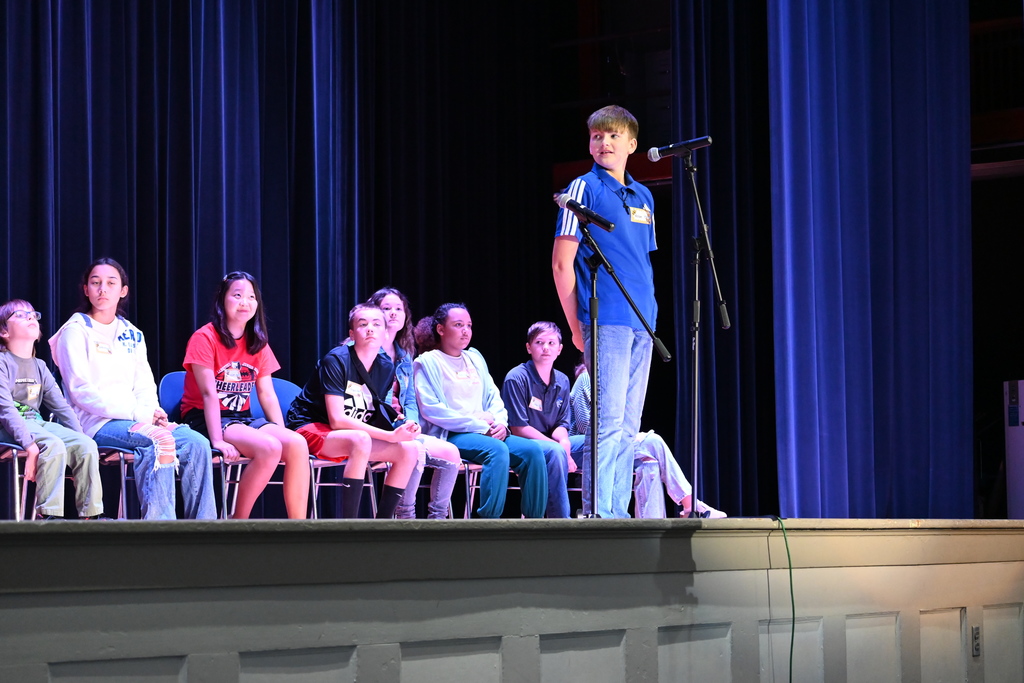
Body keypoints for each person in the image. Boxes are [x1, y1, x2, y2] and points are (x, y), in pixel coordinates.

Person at [50, 257, 216, 520]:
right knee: (158, 440)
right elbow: (80, 391)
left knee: (197, 443)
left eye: (110, 283)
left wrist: (154, 412)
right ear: (86, 289)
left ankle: (206, 532)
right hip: (95, 423)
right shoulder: (75, 331)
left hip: (136, 419)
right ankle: (160, 533)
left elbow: (144, 384)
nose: (102, 289)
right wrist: (141, 415)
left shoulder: (133, 333)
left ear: (123, 291)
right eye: (95, 283)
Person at [552, 104, 657, 518]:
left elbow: (640, 260)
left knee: (628, 428)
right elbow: (562, 264)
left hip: (642, 320)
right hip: (606, 317)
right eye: (597, 136)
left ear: (632, 144)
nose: (604, 142)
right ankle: (599, 515)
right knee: (607, 421)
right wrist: (575, 322)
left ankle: (617, 512)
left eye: (613, 136)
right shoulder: (582, 189)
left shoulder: (643, 196)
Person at [179, 272, 310, 519]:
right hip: (205, 419)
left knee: (297, 444)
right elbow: (208, 394)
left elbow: (267, 394)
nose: (244, 302)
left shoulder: (256, 341)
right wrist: (217, 440)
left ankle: (299, 526)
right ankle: (239, 523)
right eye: (237, 295)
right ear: (222, 300)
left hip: (241, 418)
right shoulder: (204, 337)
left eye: (251, 297)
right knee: (269, 448)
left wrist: (283, 433)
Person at [413, 303, 547, 519]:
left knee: (532, 452)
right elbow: (432, 410)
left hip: (487, 431)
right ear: (440, 329)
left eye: (469, 325)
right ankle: (488, 523)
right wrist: (480, 425)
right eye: (458, 325)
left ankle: (534, 523)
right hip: (452, 435)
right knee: (496, 451)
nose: (465, 331)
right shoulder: (427, 362)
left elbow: (494, 397)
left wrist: (501, 424)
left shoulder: (474, 358)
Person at [286, 303, 418, 519]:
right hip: (310, 426)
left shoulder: (386, 366)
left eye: (377, 324)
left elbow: (372, 408)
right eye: (363, 324)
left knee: (408, 450)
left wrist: (400, 424)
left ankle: (382, 525)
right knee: (361, 440)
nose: (370, 329)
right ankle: (350, 526)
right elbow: (337, 419)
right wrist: (389, 436)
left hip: (349, 434)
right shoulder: (336, 360)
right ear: (351, 334)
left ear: (386, 332)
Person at [569, 366, 726, 519]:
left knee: (650, 463)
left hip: (614, 444)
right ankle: (691, 504)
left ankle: (651, 528)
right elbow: (584, 425)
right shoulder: (587, 377)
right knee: (653, 442)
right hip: (582, 446)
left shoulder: (617, 382)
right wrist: (623, 435)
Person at [0, 300, 103, 520]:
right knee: (53, 444)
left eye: (32, 315)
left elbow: (62, 407)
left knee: (86, 445)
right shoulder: (2, 362)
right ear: (3, 331)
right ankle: (49, 515)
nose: (30, 317)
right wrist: (30, 446)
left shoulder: (40, 366)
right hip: (8, 425)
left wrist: (79, 438)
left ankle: (91, 516)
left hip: (36, 423)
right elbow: (6, 409)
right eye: (19, 314)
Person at [368, 287, 459, 519]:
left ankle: (437, 522)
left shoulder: (404, 354)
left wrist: (411, 423)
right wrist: (398, 426)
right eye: (386, 308)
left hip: (402, 427)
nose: (393, 313)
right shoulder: (365, 350)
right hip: (377, 426)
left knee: (451, 454)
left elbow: (409, 399)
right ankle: (405, 518)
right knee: (415, 449)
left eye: (399, 308)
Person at [500, 321, 573, 518]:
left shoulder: (563, 380)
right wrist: (560, 447)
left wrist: (565, 441)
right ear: (529, 347)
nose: (546, 348)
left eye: (551, 343)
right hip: (524, 443)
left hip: (554, 441)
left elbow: (561, 423)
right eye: (540, 342)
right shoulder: (516, 377)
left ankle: (599, 518)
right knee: (556, 452)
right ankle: (561, 524)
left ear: (560, 349)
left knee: (595, 446)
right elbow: (518, 428)